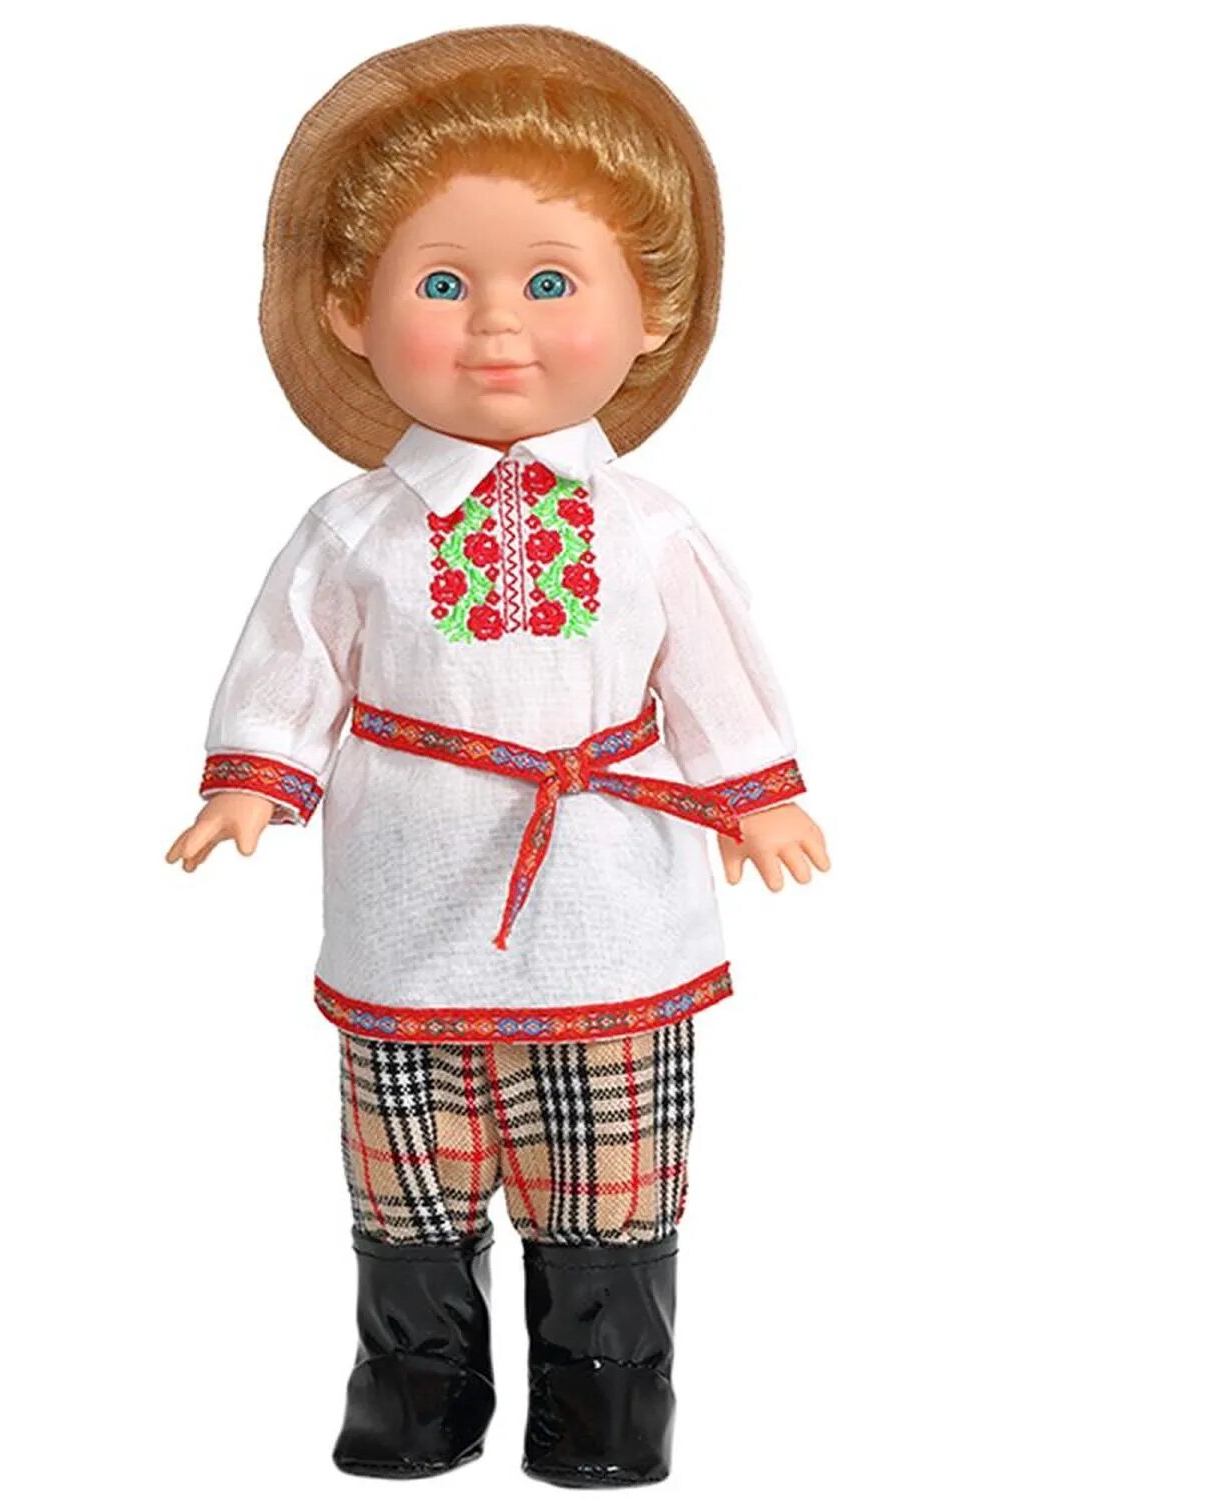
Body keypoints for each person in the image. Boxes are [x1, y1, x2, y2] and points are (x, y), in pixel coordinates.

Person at [164, 25, 830, 1486]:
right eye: (441, 284)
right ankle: (418, 1399)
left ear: (651, 311)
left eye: (550, 282)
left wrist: (757, 797)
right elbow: (292, 664)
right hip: (410, 908)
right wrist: (251, 779)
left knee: (612, 1190)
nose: (495, 328)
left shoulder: (648, 528)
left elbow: (714, 677)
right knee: (410, 1183)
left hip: (612, 909)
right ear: (350, 310)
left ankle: (604, 1416)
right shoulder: (356, 529)